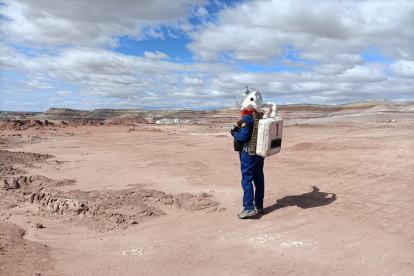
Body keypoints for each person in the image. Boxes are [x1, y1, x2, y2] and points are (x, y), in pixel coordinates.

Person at [230, 87, 265, 219]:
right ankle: (259, 205)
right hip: (259, 153)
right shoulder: (260, 116)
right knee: (259, 179)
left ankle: (248, 207)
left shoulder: (247, 119)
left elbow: (243, 137)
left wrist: (234, 133)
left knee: (246, 180)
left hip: (248, 154)